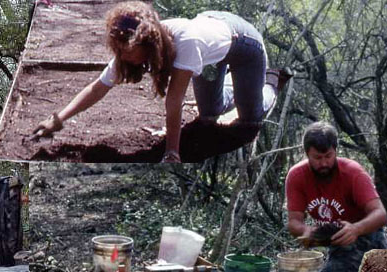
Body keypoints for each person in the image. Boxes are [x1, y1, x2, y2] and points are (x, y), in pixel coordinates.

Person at [32, 1, 291, 163]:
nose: (122, 56)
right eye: (119, 50)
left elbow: (174, 102)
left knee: (250, 118)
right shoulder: (132, 44)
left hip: (244, 44)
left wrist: (172, 153)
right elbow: (98, 87)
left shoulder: (186, 43)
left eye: (127, 51)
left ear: (148, 42)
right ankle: (238, 85)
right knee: (210, 113)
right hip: (213, 40)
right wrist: (58, 119)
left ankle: (269, 81)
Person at [284, 121, 387, 272]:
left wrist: (356, 228)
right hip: (336, 242)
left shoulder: (352, 172)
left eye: (328, 156)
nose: (323, 163)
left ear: (336, 151)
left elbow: (380, 214)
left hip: (366, 238)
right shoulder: (297, 176)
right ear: (307, 154)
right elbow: (294, 221)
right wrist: (308, 232)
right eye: (317, 158)